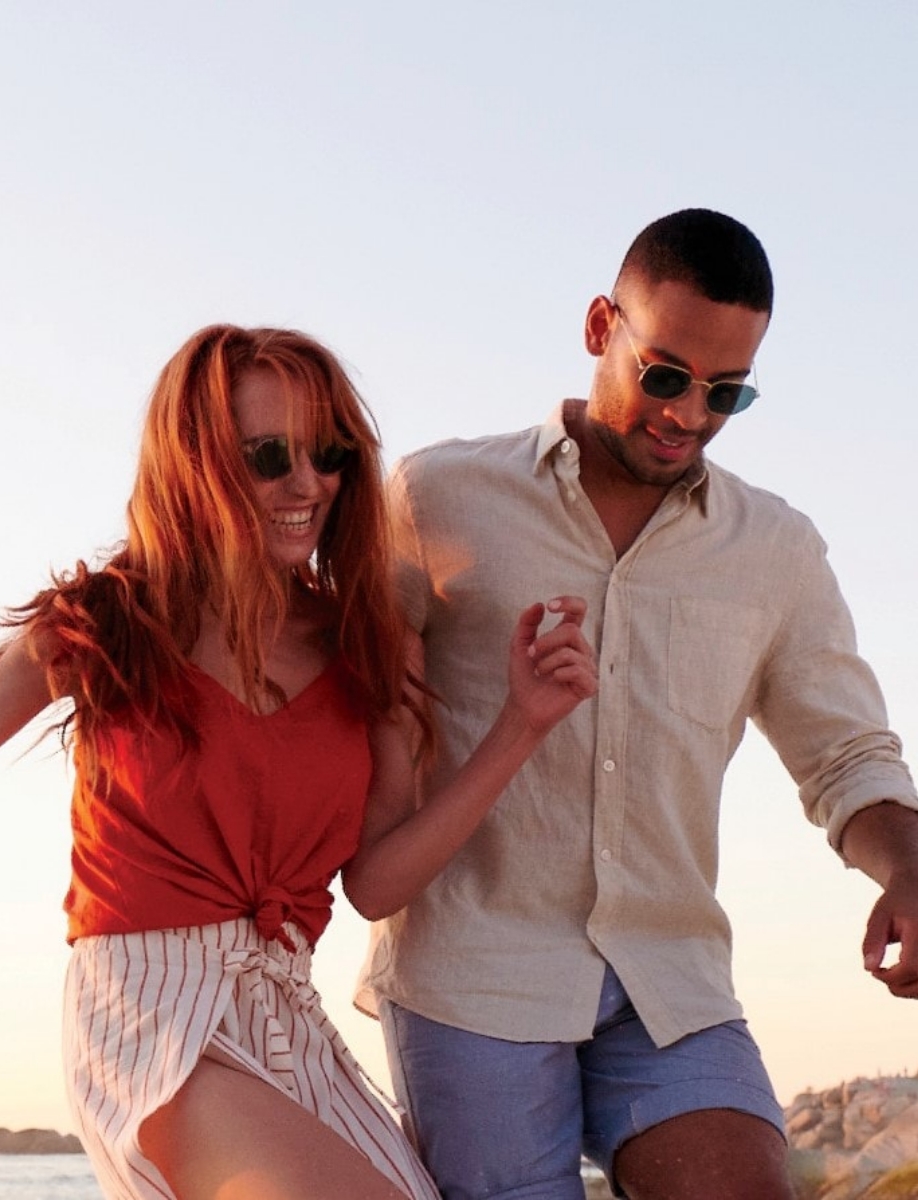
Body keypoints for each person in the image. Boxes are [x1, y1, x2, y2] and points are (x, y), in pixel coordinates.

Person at [357, 209, 918, 1200]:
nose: (689, 414)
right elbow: (342, 700)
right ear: (598, 328)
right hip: (473, 973)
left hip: (671, 976)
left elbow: (844, 755)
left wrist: (908, 869)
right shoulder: (435, 498)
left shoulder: (777, 550)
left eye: (726, 393)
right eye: (666, 376)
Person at [0, 324, 597, 1200]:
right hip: (148, 1010)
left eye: (329, 452)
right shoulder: (107, 623)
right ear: (196, 462)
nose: (306, 483)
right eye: (268, 455)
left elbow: (376, 885)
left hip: (284, 1010)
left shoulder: (361, 644)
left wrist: (521, 728)